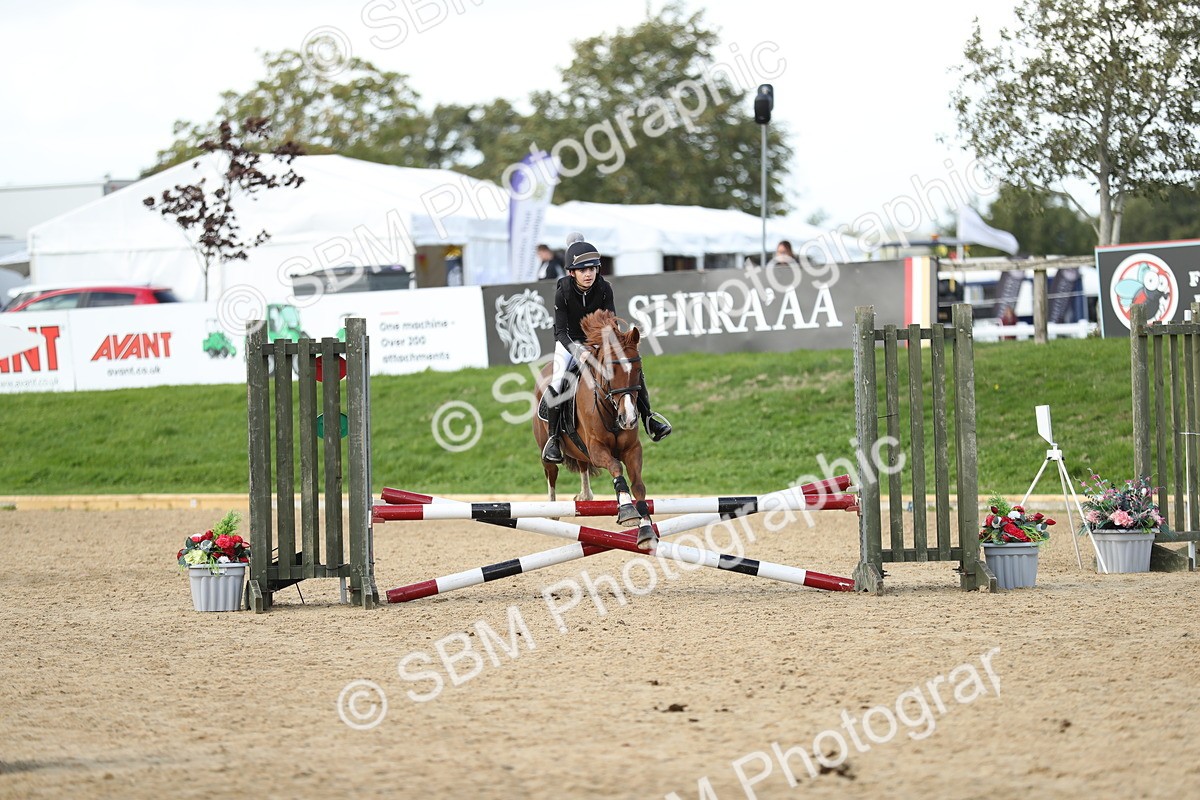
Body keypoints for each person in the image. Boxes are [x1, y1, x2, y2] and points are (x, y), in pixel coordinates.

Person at [541, 236, 672, 463]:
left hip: (598, 343)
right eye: (582, 270)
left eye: (592, 268)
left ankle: (649, 418)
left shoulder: (604, 288)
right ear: (572, 273)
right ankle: (553, 439)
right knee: (557, 381)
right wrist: (578, 351)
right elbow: (560, 332)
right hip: (569, 343)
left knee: (630, 373)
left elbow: (610, 323)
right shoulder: (562, 290)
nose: (588, 274)